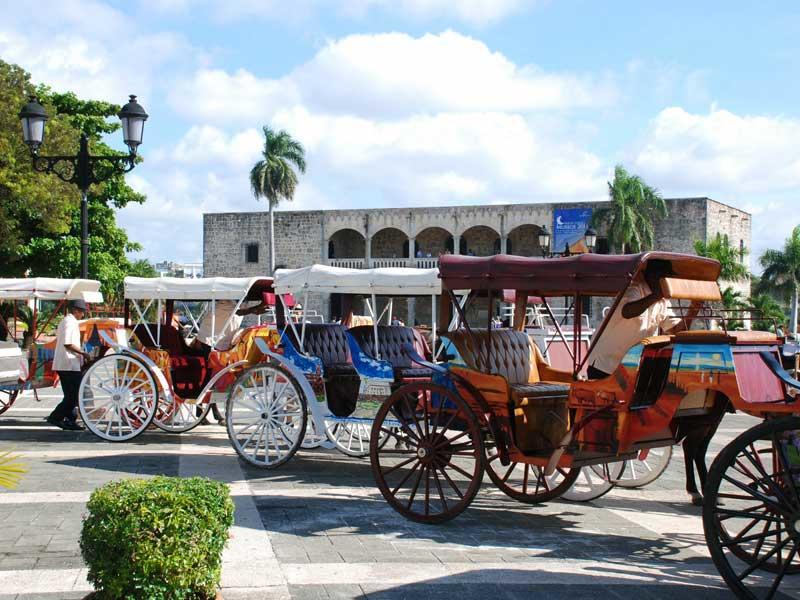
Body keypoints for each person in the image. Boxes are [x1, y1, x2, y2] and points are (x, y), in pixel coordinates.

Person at [587, 261, 699, 380]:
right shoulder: (633, 289)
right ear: (655, 278)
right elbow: (627, 311)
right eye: (667, 278)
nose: (670, 283)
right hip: (605, 364)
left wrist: (693, 309)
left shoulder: (663, 303)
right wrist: (656, 296)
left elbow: (676, 331)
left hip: (631, 366)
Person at [47, 300, 90, 431]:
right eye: (82, 312)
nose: (82, 315)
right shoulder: (69, 322)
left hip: (68, 363)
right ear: (76, 311)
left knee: (71, 394)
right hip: (68, 363)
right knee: (75, 394)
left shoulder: (69, 321)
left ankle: (70, 420)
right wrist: (83, 353)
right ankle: (55, 416)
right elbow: (68, 343)